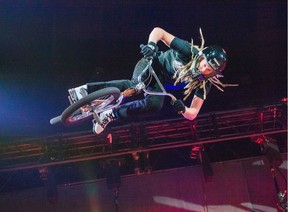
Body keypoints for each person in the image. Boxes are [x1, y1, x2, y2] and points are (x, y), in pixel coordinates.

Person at [68, 27, 234, 134]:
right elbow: (159, 32)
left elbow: (193, 114)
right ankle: (84, 90)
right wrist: (152, 45)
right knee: (136, 85)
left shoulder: (204, 84)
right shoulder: (188, 51)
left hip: (159, 84)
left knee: (155, 105)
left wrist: (183, 109)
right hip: (152, 64)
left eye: (209, 70)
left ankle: (111, 113)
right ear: (202, 56)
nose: (204, 70)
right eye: (205, 64)